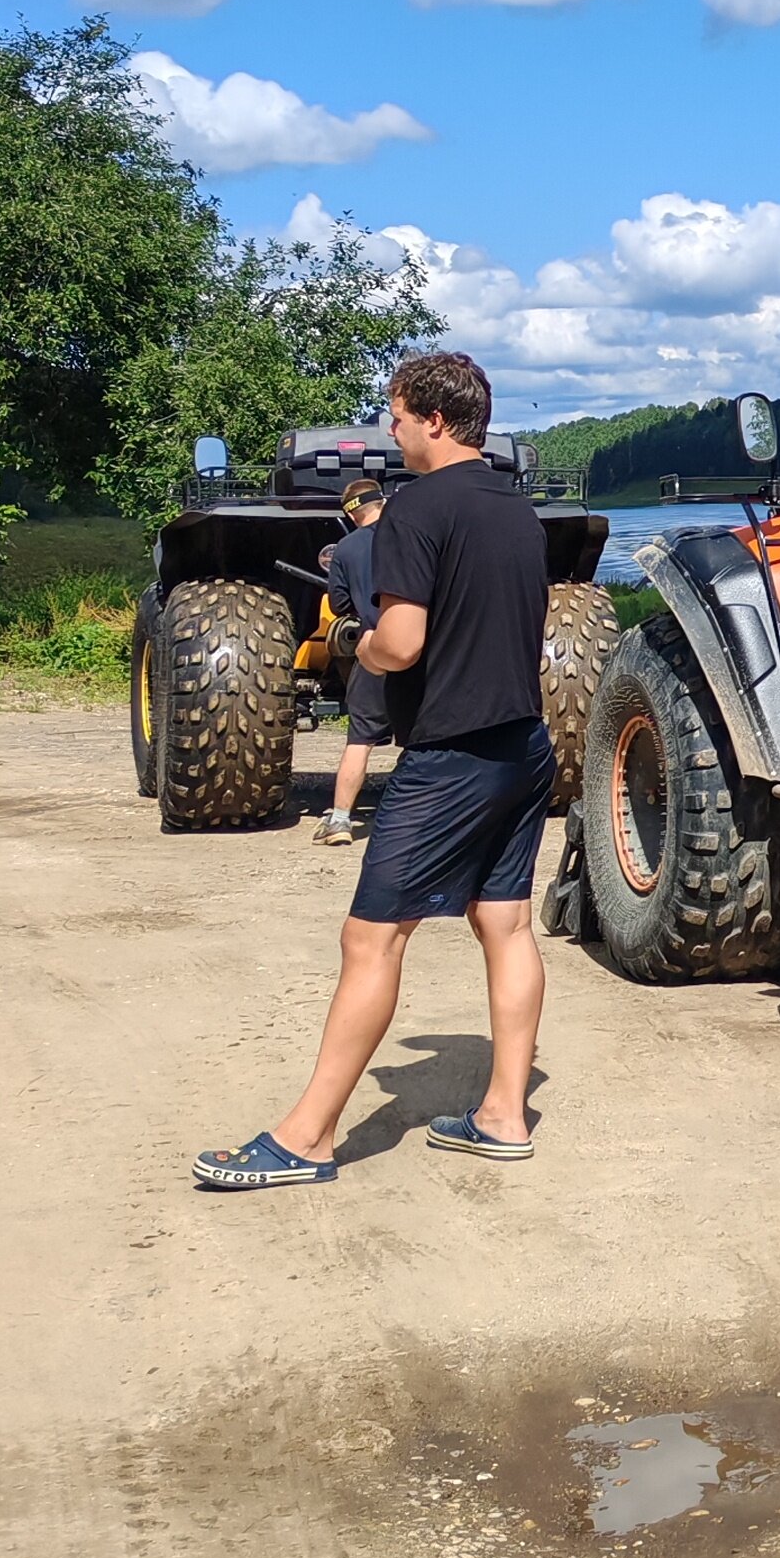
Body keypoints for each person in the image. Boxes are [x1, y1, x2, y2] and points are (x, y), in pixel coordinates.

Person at [195, 349, 555, 1187]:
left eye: (395, 416)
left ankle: (305, 1139)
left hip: (451, 756)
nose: (390, 433)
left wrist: (354, 643)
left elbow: (402, 642)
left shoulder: (417, 510)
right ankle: (504, 1114)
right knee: (504, 925)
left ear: (433, 418)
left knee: (370, 939)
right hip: (522, 746)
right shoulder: (518, 509)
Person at [312, 481, 391, 846]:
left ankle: (341, 821)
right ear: (382, 501)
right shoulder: (413, 536)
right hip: (425, 652)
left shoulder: (345, 548)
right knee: (427, 740)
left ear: (351, 513)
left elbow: (340, 604)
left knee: (360, 739)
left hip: (376, 651)